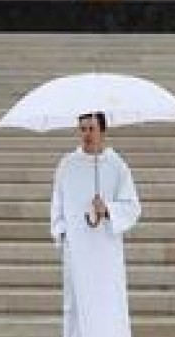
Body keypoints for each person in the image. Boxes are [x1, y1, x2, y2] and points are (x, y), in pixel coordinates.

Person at [50, 112, 141, 337]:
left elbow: (132, 206)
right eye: (83, 129)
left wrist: (108, 209)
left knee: (108, 306)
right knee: (78, 308)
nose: (87, 134)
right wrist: (63, 233)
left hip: (106, 253)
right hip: (78, 253)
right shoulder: (67, 165)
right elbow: (57, 204)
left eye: (91, 129)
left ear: (102, 130)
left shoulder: (116, 165)